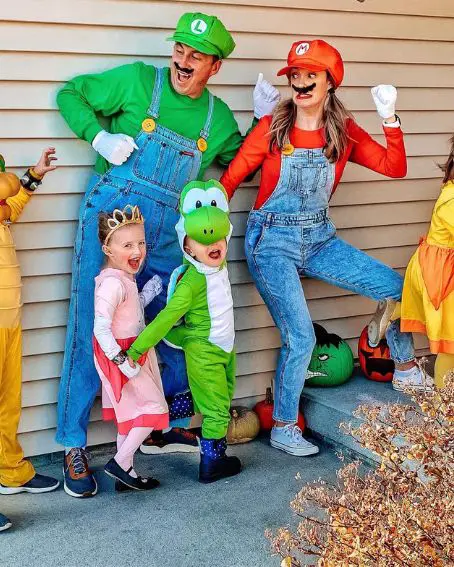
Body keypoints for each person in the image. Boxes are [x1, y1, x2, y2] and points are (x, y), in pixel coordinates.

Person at [56, 11, 280, 496]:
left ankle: (158, 426)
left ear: (214, 67)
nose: (183, 60)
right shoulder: (138, 81)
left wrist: (265, 123)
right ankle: (73, 445)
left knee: (169, 330)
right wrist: (98, 137)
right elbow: (69, 93)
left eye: (196, 56)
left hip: (162, 243)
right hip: (112, 228)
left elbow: (245, 163)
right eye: (180, 50)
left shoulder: (216, 118)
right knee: (87, 331)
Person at [220, 39, 432, 457]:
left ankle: (405, 367)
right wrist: (203, 227)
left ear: (330, 82)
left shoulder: (344, 131)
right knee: (300, 336)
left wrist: (389, 118)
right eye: (295, 75)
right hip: (271, 240)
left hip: (319, 238)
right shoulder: (272, 127)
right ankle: (283, 426)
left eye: (310, 75)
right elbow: (230, 179)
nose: (300, 83)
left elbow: (395, 167)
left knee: (396, 286)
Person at [127, 180, 241, 484]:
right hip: (204, 351)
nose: (213, 245)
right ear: (187, 245)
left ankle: (163, 413)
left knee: (220, 396)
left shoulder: (218, 264)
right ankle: (212, 464)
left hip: (224, 348)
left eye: (219, 239)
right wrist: (137, 350)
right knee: (217, 411)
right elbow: (167, 317)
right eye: (203, 241)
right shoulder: (192, 281)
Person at [0, 149, 60, 530]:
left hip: (9, 314)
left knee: (9, 400)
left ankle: (10, 470)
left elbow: (10, 207)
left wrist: (33, 176)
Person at [92, 205, 168, 492]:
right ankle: (120, 462)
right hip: (121, 355)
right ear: (107, 248)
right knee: (154, 407)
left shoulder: (124, 278)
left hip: (132, 351)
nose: (137, 250)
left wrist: (148, 293)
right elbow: (101, 328)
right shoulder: (111, 284)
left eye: (141, 243)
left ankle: (127, 474)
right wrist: (122, 359)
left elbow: (130, 311)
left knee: (129, 418)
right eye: (127, 245)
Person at [369, 135, 454, 389]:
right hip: (439, 272)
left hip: (440, 266)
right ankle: (445, 408)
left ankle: (396, 311)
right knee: (450, 343)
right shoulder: (451, 200)